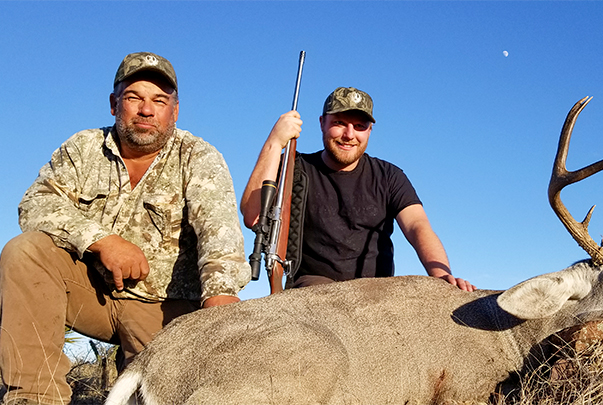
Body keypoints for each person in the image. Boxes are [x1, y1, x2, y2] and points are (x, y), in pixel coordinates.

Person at [0, 52, 251, 405]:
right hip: (93, 294)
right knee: (25, 251)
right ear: (115, 104)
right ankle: (33, 397)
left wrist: (221, 300)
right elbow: (36, 203)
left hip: (166, 310)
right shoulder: (84, 147)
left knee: (154, 395)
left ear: (175, 111)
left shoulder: (200, 157)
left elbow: (219, 236)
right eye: (134, 98)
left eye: (159, 101)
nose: (146, 110)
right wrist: (101, 240)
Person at [241, 87, 475, 291]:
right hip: (313, 290)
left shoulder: (389, 176)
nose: (349, 135)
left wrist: (441, 275)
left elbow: (417, 225)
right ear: (322, 123)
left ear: (370, 131)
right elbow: (253, 216)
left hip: (376, 293)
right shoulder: (293, 168)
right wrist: (274, 143)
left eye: (359, 126)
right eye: (339, 123)